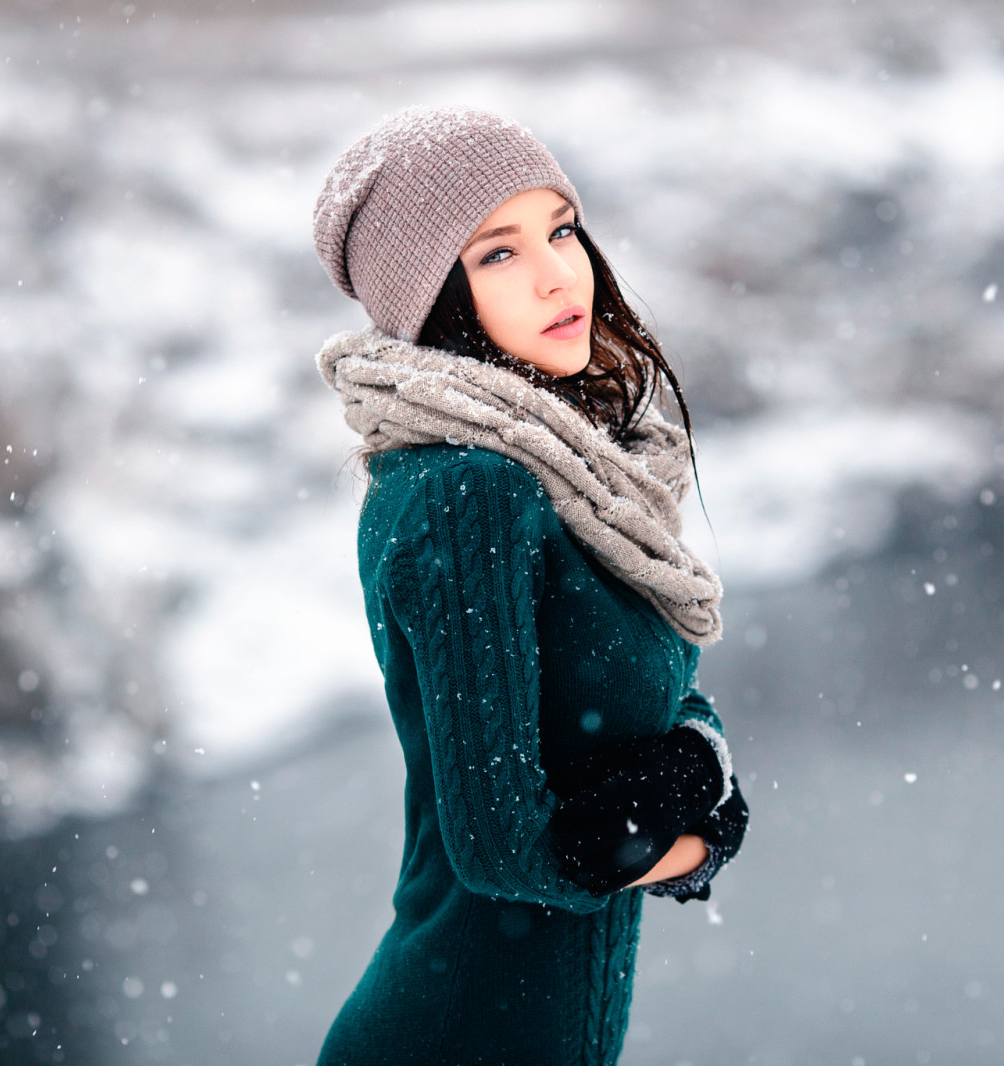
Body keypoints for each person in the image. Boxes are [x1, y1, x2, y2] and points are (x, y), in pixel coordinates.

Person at [309, 105, 749, 1066]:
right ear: (436, 302)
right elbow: (510, 848)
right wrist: (695, 814)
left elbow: (662, 709)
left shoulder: (563, 477)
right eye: (496, 254)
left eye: (560, 229)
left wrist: (685, 779)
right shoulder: (469, 491)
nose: (560, 271)